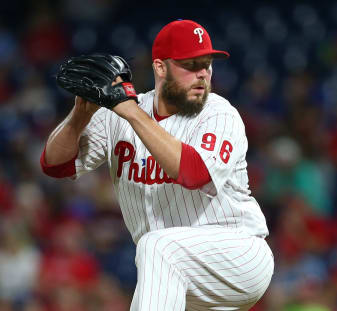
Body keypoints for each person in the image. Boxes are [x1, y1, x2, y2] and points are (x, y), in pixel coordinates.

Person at [40, 19, 274, 311]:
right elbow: (55, 165)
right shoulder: (121, 112)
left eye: (208, 64)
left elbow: (194, 173)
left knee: (157, 246)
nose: (203, 74)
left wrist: (132, 113)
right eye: (191, 65)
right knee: (156, 264)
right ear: (160, 67)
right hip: (178, 274)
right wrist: (80, 115)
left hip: (238, 255)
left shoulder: (219, 114)